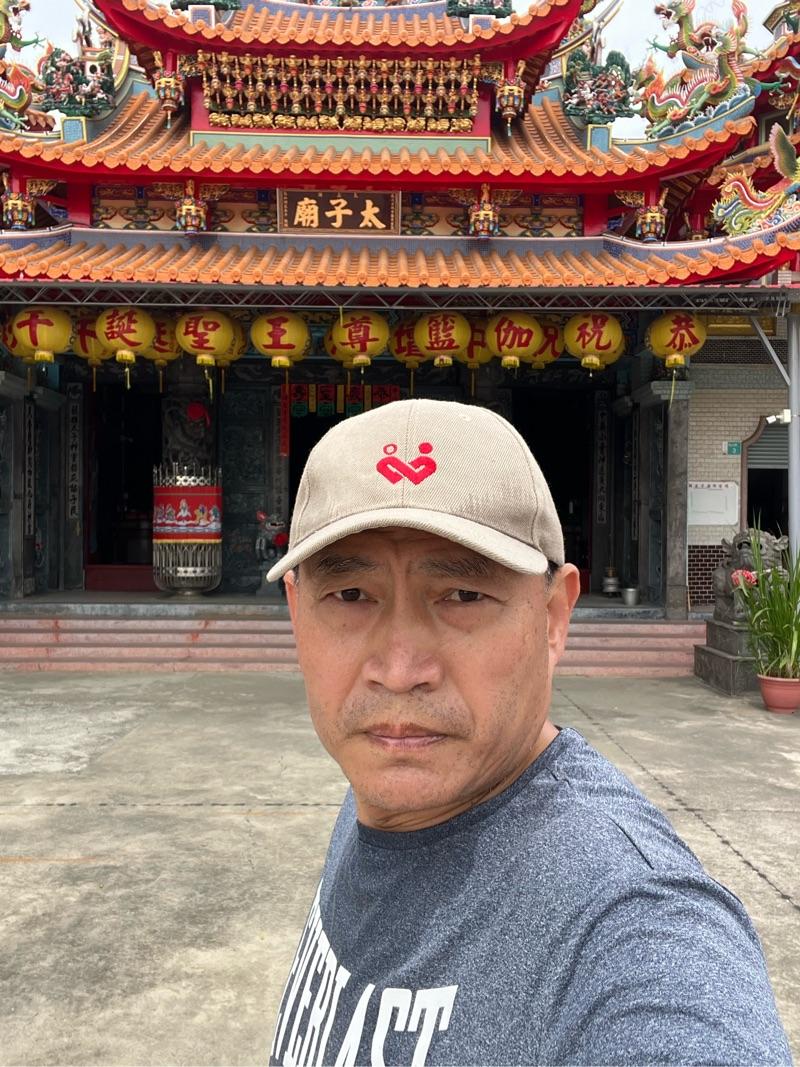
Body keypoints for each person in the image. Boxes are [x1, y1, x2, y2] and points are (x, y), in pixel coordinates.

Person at [267, 398, 791, 1067]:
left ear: (553, 618)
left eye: (463, 596)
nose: (398, 671)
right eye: (350, 596)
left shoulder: (628, 919)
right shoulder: (385, 777)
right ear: (297, 611)